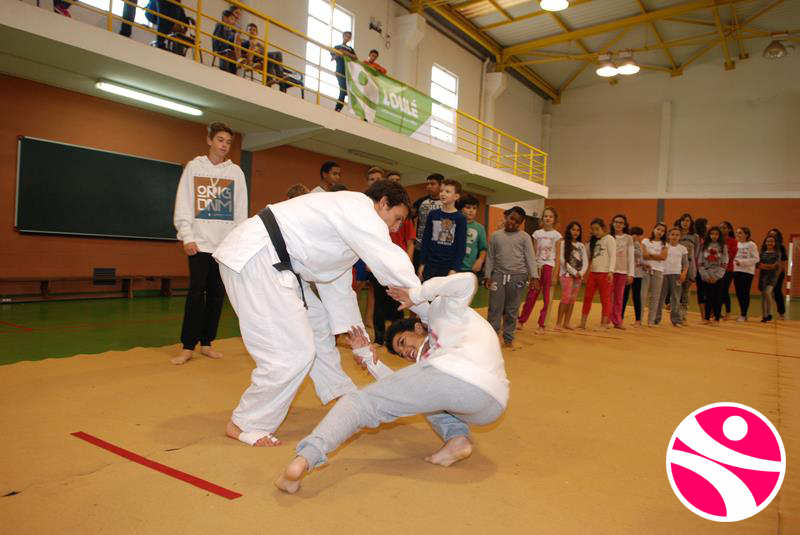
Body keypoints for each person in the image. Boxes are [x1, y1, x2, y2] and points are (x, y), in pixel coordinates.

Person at [213, 180, 424, 447]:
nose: (396, 228)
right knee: (293, 352)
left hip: (278, 265)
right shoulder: (359, 209)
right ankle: (245, 422)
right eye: (397, 218)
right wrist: (424, 303)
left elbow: (337, 287)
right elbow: (390, 259)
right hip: (257, 257)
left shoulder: (349, 222)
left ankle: (340, 392)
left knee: (319, 326)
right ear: (383, 203)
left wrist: (359, 341)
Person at [274, 273, 508, 494]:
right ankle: (457, 440)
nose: (406, 352)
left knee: (359, 403)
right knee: (425, 401)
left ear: (418, 327)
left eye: (403, 342)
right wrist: (367, 357)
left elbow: (467, 281)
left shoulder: (441, 311)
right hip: (492, 403)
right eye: (402, 352)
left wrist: (417, 294)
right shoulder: (438, 350)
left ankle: (304, 459)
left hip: (461, 375)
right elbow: (401, 394)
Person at [172, 122, 248, 365]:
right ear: (209, 141)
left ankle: (206, 343)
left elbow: (240, 211)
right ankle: (187, 346)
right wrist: (187, 236)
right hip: (199, 244)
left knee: (216, 296)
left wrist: (236, 244)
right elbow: (183, 203)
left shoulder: (236, 173)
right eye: (220, 140)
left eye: (228, 142)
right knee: (196, 294)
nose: (224, 145)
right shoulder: (194, 167)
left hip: (223, 248)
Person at [484, 207, 538, 347]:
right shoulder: (495, 236)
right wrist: (487, 275)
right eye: (511, 218)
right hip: (498, 275)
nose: (512, 222)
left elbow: (530, 257)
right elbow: (490, 257)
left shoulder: (525, 237)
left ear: (520, 224)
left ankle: (508, 337)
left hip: (518, 277)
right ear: (507, 216)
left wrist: (534, 276)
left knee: (512, 308)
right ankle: (492, 337)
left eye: (517, 221)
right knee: (495, 307)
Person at [371, 200, 415, 345]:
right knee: (379, 303)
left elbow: (410, 243)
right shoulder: (378, 218)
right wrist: (370, 262)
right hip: (380, 265)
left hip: (398, 268)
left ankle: (396, 337)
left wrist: (406, 266)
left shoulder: (406, 220)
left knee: (398, 303)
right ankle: (379, 338)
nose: (397, 223)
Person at [517, 207, 561, 333]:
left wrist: (555, 275)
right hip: (537, 268)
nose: (548, 218)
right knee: (531, 296)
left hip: (549, 268)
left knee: (547, 298)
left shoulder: (557, 236)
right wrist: (532, 271)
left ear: (554, 219)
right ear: (542, 218)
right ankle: (521, 321)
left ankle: (542, 324)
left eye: (551, 216)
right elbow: (534, 253)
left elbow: (558, 257)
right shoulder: (537, 234)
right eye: (545, 216)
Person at [418, 179, 466, 281]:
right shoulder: (432, 214)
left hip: (448, 267)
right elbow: (426, 240)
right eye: (441, 191)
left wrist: (454, 269)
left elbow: (461, 246)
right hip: (430, 264)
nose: (443, 194)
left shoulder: (460, 218)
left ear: (456, 196)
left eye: (447, 191)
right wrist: (422, 263)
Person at [579, 219, 615, 329]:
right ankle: (582, 322)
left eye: (597, 229)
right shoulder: (592, 242)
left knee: (605, 299)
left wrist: (611, 271)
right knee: (587, 297)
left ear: (603, 228)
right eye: (593, 230)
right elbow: (586, 256)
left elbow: (613, 256)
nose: (595, 232)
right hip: (593, 273)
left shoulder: (609, 239)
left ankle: (604, 323)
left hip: (604, 273)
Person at [555, 221, 587, 331]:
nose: (575, 232)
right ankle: (559, 323)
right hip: (567, 274)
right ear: (569, 230)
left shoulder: (581, 246)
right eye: (573, 229)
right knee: (566, 297)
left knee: (573, 298)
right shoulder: (563, 243)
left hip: (578, 276)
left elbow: (585, 262)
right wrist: (573, 272)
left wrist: (581, 273)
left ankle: (567, 322)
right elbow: (562, 260)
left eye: (578, 230)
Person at [655, 228, 689, 327]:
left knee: (676, 297)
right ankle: (656, 319)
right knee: (660, 297)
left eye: (677, 235)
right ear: (668, 236)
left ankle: (676, 320)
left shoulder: (682, 248)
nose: (674, 237)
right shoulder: (664, 246)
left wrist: (684, 273)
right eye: (672, 234)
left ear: (680, 237)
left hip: (676, 275)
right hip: (663, 274)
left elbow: (685, 263)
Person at [608, 214, 635, 329]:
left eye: (621, 222)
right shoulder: (608, 237)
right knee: (608, 297)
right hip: (610, 272)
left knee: (619, 298)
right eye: (616, 222)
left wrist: (631, 274)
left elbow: (631, 257)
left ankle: (617, 321)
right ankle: (606, 320)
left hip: (622, 272)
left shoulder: (628, 238)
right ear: (612, 223)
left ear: (624, 225)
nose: (618, 224)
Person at [412, 174, 443, 271]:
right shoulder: (420, 202)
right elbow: (409, 218)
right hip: (420, 246)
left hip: (439, 246)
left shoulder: (447, 203)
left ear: (441, 185)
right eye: (428, 184)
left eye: (432, 184)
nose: (429, 186)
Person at [698, 226, 728, 324]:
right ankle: (707, 318)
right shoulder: (704, 246)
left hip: (718, 275)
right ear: (709, 235)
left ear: (719, 235)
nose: (714, 236)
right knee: (707, 297)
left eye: (716, 234)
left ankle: (716, 318)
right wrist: (705, 276)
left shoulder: (723, 246)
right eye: (712, 234)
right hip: (706, 274)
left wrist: (716, 276)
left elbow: (724, 262)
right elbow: (700, 262)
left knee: (717, 297)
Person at [641, 223, 668, 327]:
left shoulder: (665, 245)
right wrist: (656, 256)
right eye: (658, 229)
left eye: (662, 231)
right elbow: (644, 255)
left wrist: (650, 255)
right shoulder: (645, 241)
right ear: (654, 229)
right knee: (642, 295)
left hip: (658, 270)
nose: (660, 232)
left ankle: (651, 320)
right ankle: (639, 319)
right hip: (646, 270)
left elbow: (663, 257)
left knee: (655, 296)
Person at [675, 213, 698, 325]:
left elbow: (696, 254)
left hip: (689, 266)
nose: (685, 222)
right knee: (676, 291)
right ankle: (676, 316)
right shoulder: (676, 234)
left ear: (691, 223)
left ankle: (683, 316)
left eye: (688, 220)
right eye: (683, 220)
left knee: (685, 292)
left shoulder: (695, 237)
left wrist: (693, 269)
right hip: (676, 267)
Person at [733, 226, 759, 321]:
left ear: (746, 235)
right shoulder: (736, 244)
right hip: (736, 270)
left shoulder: (751, 244)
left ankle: (743, 314)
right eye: (737, 232)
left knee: (744, 292)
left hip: (747, 271)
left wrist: (742, 262)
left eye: (740, 233)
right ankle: (742, 312)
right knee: (738, 293)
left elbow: (756, 258)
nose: (737, 234)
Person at [458, 195, 487, 276]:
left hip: (470, 269)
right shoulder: (455, 224)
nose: (471, 211)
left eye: (474, 208)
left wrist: (480, 261)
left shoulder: (480, 228)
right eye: (468, 207)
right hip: (453, 267)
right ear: (461, 209)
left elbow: (483, 248)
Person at [622, 226, 645, 327]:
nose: (636, 236)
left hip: (638, 274)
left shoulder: (639, 245)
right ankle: (620, 318)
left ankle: (638, 320)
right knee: (624, 296)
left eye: (639, 235)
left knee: (636, 296)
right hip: (627, 273)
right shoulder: (626, 243)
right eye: (634, 234)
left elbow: (640, 255)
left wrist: (633, 248)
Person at [332, 31, 357, 112]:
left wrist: (346, 53)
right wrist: (339, 53)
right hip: (340, 70)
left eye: (349, 37)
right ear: (343, 36)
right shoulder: (337, 47)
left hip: (348, 72)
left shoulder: (350, 49)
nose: (347, 38)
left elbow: (355, 58)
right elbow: (333, 57)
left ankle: (339, 106)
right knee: (343, 89)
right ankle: (338, 107)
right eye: (346, 36)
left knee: (344, 89)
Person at [767, 228, 788, 320]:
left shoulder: (781, 247)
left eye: (774, 235)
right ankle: (767, 313)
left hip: (778, 273)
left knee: (776, 291)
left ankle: (781, 312)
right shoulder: (766, 246)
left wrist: (777, 275)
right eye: (770, 234)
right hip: (767, 273)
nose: (772, 236)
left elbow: (782, 263)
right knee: (766, 293)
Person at [718, 221, 737, 320]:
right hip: (716, 269)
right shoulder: (717, 240)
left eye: (724, 228)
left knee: (724, 290)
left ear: (729, 229)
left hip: (728, 269)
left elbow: (731, 256)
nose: (722, 229)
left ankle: (728, 312)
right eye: (720, 227)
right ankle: (717, 312)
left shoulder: (733, 241)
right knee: (717, 291)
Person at [758, 235, 779, 323]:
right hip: (763, 276)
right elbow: (759, 265)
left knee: (767, 292)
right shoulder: (761, 253)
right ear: (765, 243)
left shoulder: (777, 254)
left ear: (775, 243)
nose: (769, 243)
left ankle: (770, 312)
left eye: (771, 241)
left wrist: (766, 266)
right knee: (763, 296)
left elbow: (775, 266)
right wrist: (768, 266)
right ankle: (764, 316)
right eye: (768, 241)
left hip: (772, 276)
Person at [213, 9, 239, 74]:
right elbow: (216, 37)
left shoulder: (228, 28)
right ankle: (224, 71)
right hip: (220, 47)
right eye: (232, 19)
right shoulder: (221, 25)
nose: (233, 22)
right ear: (225, 18)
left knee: (232, 54)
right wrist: (217, 48)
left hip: (226, 46)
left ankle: (232, 72)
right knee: (226, 53)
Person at [694, 218, 709, 319]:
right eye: (707, 224)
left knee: (709, 291)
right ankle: (703, 314)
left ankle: (710, 313)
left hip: (708, 267)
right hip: (697, 267)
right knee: (701, 290)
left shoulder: (708, 238)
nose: (708, 226)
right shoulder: (695, 238)